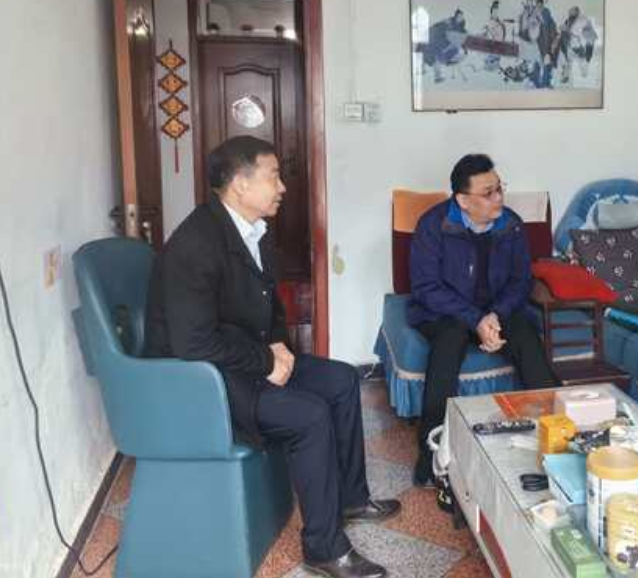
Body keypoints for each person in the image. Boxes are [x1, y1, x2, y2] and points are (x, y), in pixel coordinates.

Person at [145, 136, 400, 578]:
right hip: (203, 382)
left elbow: (268, 308)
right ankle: (323, 548)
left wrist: (279, 345)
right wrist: (266, 361)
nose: (282, 187)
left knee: (341, 379)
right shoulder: (195, 245)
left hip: (239, 361)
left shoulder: (254, 232)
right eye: (274, 176)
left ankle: (351, 499)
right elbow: (192, 343)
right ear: (240, 184)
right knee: (309, 414)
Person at [407, 154, 559, 486]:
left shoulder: (511, 224)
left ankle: (557, 435)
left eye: (500, 188)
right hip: (445, 312)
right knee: (449, 342)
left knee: (526, 337)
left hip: (493, 310)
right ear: (463, 200)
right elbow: (427, 288)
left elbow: (520, 281)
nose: (499, 197)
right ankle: (431, 450)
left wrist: (495, 315)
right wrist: (475, 319)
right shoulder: (433, 225)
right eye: (488, 193)